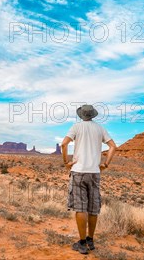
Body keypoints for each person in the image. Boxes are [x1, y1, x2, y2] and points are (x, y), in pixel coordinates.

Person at [61, 104, 117, 255]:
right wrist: (105, 164)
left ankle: (82, 243)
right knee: (93, 208)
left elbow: (64, 144)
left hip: (78, 172)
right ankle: (90, 240)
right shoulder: (100, 129)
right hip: (94, 173)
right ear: (93, 115)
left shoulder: (76, 127)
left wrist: (66, 162)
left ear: (81, 115)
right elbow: (113, 146)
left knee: (81, 208)